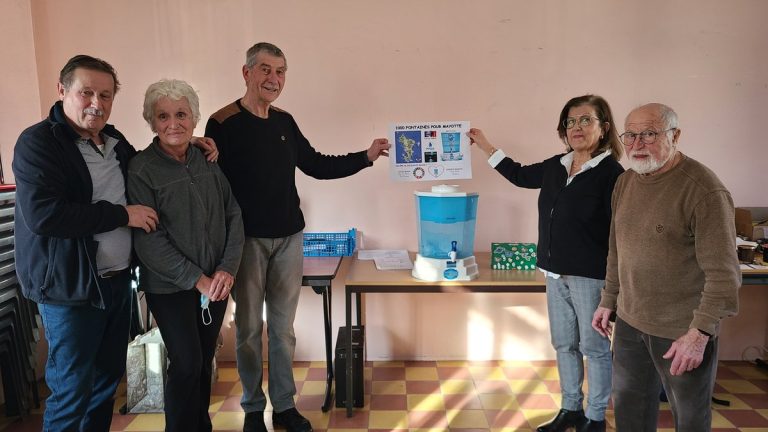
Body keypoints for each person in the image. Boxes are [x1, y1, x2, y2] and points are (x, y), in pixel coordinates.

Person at [11, 55, 217, 432]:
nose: (97, 103)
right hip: (70, 289)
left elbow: (150, 168)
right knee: (72, 390)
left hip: (117, 283)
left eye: (105, 95)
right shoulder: (38, 143)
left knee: (105, 385)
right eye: (86, 92)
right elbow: (46, 216)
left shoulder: (115, 141)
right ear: (62, 90)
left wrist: (185, 143)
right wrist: (123, 215)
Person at [204, 42, 390, 432]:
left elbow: (316, 165)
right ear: (247, 73)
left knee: (284, 329)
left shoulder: (285, 122)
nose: (275, 79)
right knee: (249, 328)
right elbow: (212, 186)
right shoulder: (223, 123)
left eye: (281, 71)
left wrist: (366, 156)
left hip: (290, 237)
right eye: (267, 70)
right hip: (247, 242)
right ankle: (254, 409)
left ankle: (285, 406)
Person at [469, 95, 624, 432]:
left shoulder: (613, 174)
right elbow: (519, 175)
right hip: (554, 273)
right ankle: (570, 408)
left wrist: (614, 289)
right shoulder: (558, 165)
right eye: (570, 122)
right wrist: (484, 145)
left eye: (586, 120)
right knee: (564, 344)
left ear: (604, 128)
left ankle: (595, 417)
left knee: (594, 348)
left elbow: (619, 233)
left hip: (591, 277)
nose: (577, 128)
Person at [592, 103, 740, 431]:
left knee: (689, 418)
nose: (636, 144)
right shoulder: (626, 182)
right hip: (630, 324)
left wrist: (700, 333)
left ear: (675, 136)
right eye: (630, 135)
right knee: (630, 412)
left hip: (681, 330)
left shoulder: (704, 190)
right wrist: (608, 298)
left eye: (649, 134)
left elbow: (725, 274)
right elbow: (617, 249)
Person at [127, 79, 245, 432]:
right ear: (151, 122)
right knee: (187, 362)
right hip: (170, 287)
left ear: (194, 118)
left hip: (216, 284)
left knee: (203, 359)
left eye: (181, 114)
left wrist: (227, 269)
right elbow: (149, 242)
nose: (173, 123)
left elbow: (232, 215)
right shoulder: (141, 168)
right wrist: (200, 280)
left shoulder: (207, 159)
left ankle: (200, 426)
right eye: (163, 116)